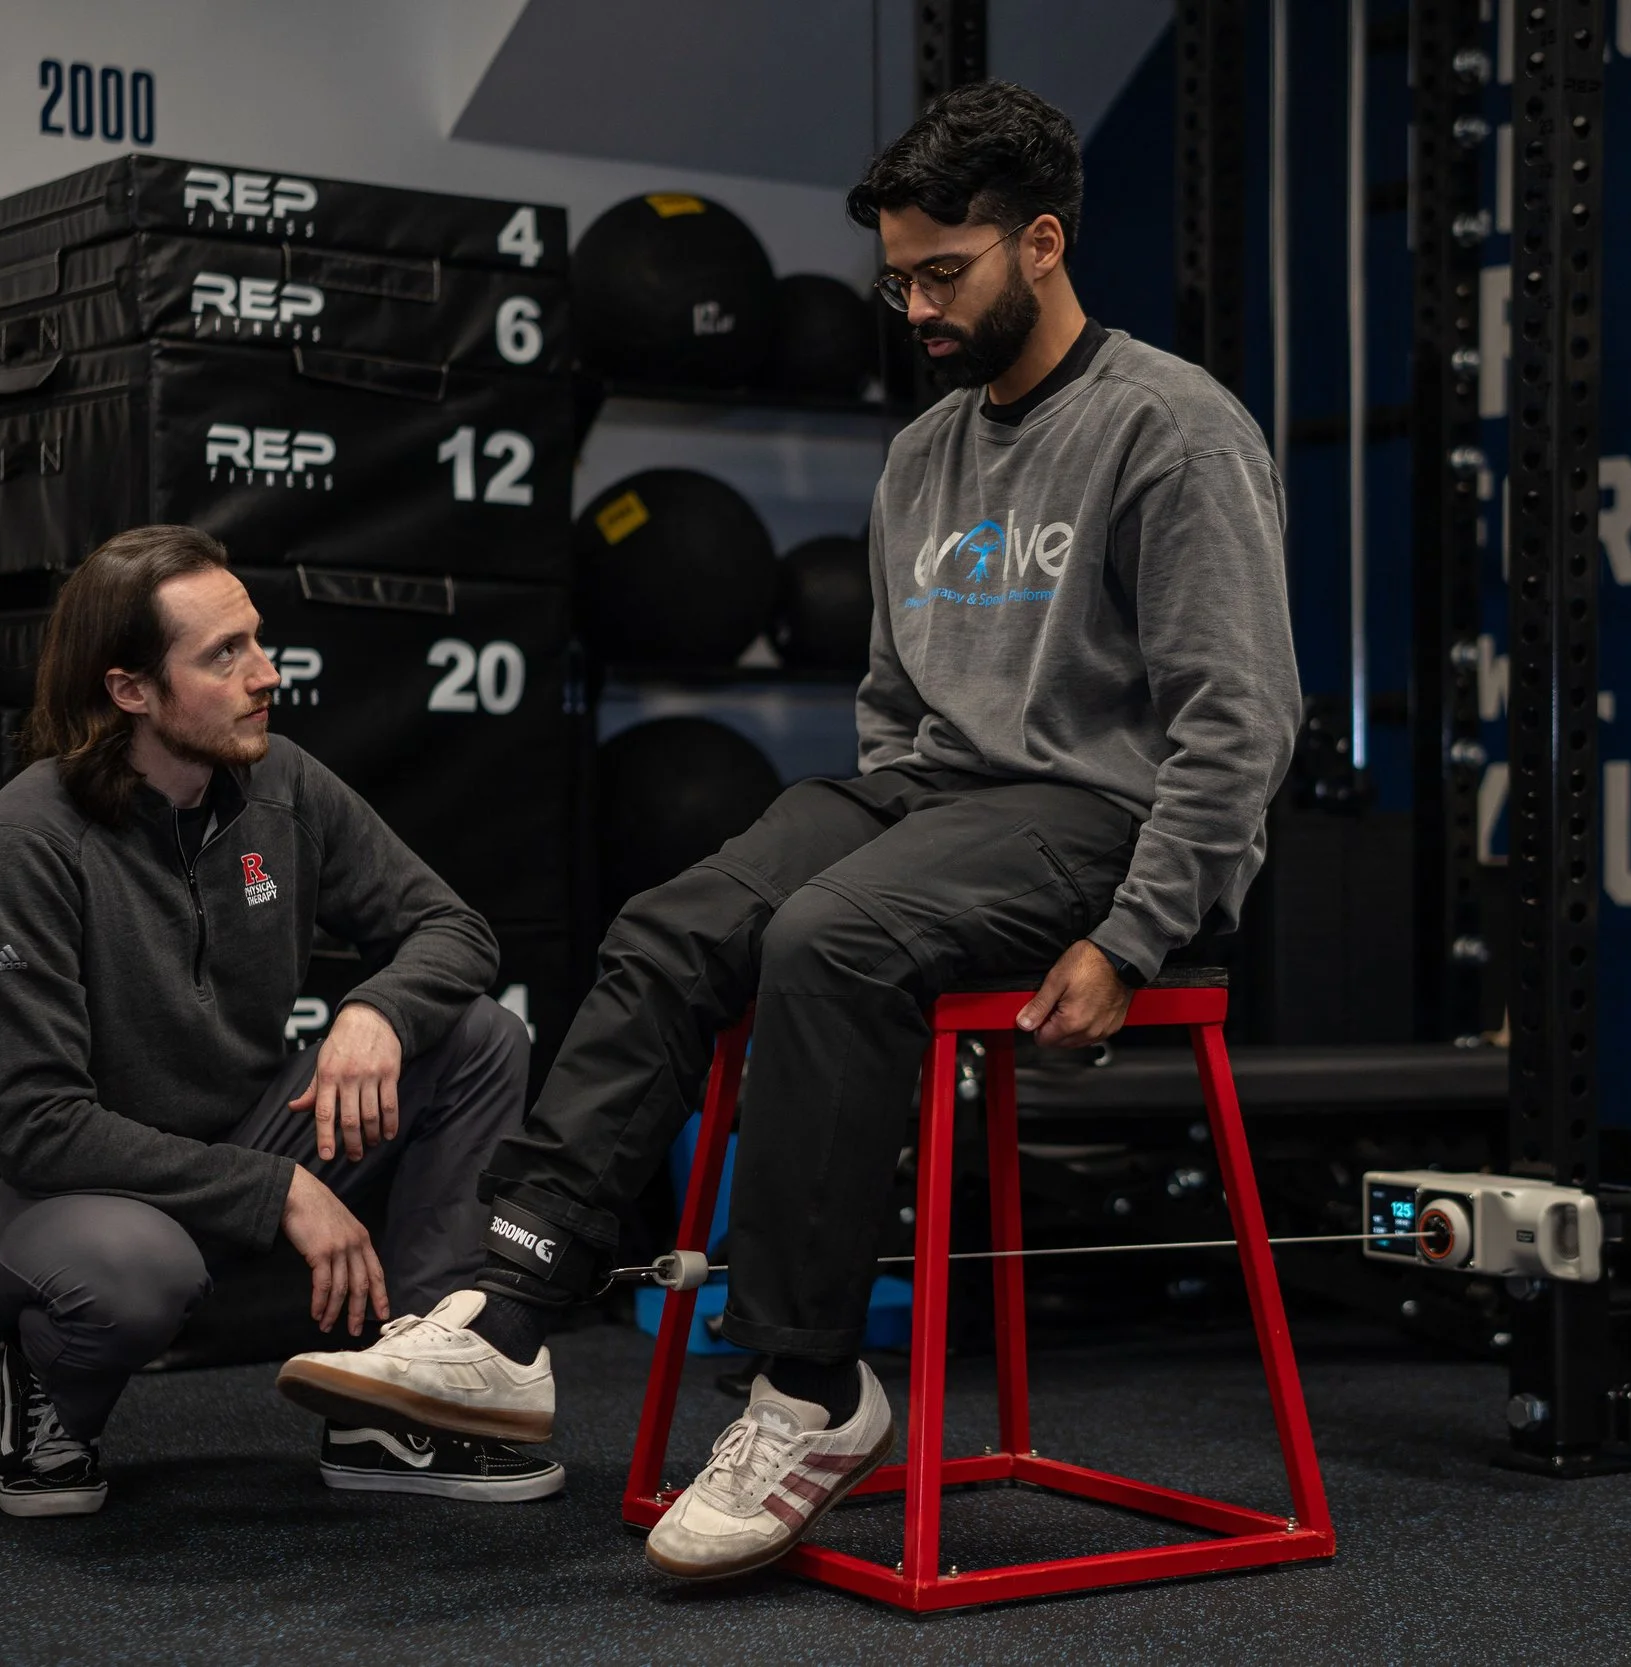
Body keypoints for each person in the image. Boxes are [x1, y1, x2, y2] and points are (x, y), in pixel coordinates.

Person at [277, 80, 1302, 1579]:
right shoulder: (922, 456)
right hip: (931, 797)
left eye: (944, 274)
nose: (916, 308)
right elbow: (895, 701)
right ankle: (508, 1314)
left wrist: (1136, 930)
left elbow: (1240, 719)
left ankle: (815, 1388)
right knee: (675, 919)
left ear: (1042, 241)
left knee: (831, 939)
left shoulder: (1173, 429)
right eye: (897, 279)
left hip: (1098, 816)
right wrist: (890, 821)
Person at [0, 524, 558, 1517]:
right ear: (130, 688)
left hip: (220, 1139)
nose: (268, 674)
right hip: (21, 1191)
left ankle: (406, 1388)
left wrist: (376, 1010)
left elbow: (451, 928)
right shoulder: (23, 844)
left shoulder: (281, 784)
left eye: (258, 641)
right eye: (224, 654)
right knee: (134, 1271)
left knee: (475, 1037)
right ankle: (53, 1382)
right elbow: (40, 1127)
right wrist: (281, 1188)